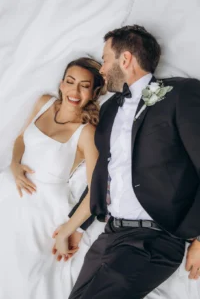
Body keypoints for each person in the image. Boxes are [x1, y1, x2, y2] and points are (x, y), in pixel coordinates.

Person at [53, 25, 200, 299]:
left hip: (155, 241)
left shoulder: (181, 93)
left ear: (126, 59)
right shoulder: (109, 109)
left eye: (105, 58)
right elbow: (101, 174)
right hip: (109, 237)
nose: (102, 69)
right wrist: (77, 226)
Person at [0, 57, 106, 299]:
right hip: (8, 190)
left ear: (93, 92)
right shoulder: (44, 103)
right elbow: (19, 140)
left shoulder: (86, 133)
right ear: (61, 84)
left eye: (84, 85)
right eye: (70, 82)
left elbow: (95, 192)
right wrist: (15, 165)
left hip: (41, 211)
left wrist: (67, 231)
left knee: (21, 277)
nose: (75, 91)